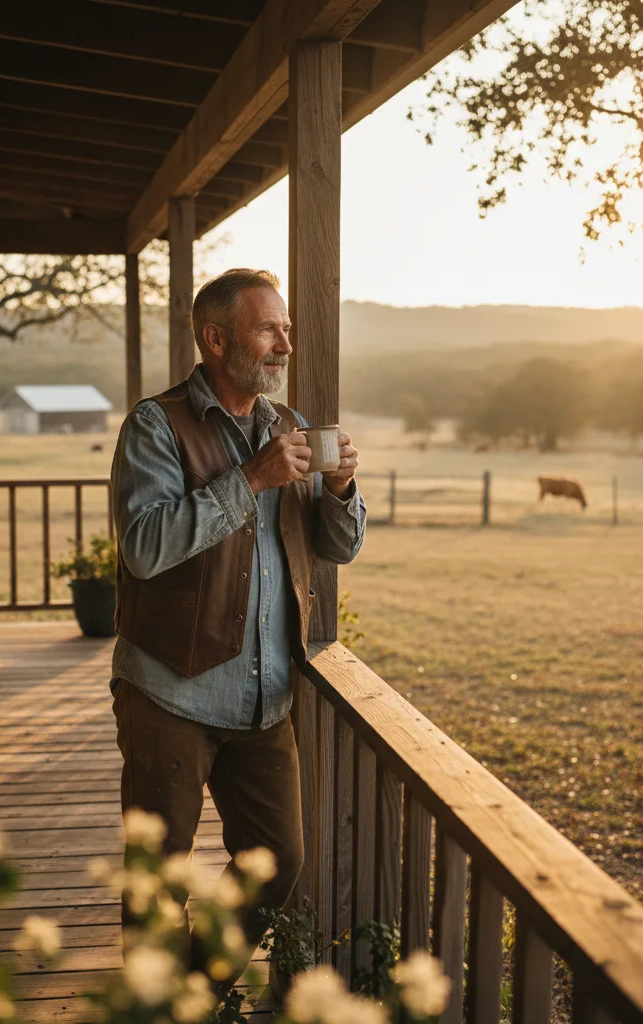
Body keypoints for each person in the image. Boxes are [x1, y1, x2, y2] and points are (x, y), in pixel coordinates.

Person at [110, 267, 366, 978]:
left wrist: (342, 489)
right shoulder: (155, 425)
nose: (285, 343)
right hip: (170, 691)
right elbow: (143, 547)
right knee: (158, 880)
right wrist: (249, 480)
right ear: (216, 339)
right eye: (268, 329)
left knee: (277, 865)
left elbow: (337, 546)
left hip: (266, 698)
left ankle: (190, 986)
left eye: (286, 328)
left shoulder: (287, 428)